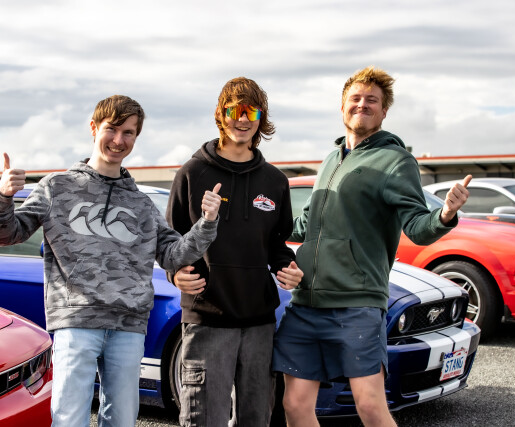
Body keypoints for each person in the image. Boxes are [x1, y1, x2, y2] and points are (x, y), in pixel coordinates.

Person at [0, 95, 222, 427]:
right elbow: (8, 234)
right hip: (76, 321)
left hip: (128, 325)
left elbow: (173, 254)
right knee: (69, 419)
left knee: (122, 420)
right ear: (94, 128)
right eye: (112, 129)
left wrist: (207, 222)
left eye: (129, 132)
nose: (118, 140)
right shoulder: (57, 187)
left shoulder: (141, 204)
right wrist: (3, 197)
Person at [272, 66, 472, 427]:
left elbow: (417, 226)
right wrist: (256, 219)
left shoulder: (395, 161)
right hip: (306, 304)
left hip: (357, 304)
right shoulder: (331, 160)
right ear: (342, 107)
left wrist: (445, 214)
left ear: (384, 111)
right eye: (355, 98)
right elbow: (305, 225)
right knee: (295, 405)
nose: (362, 104)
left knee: (369, 405)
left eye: (372, 100)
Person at [166, 77, 304, 427]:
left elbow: (276, 243)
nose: (242, 119)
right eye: (234, 110)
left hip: (259, 322)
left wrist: (287, 266)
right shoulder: (192, 173)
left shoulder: (274, 181)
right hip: (208, 317)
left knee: (256, 418)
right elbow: (170, 241)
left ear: (261, 118)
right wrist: (175, 274)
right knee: (204, 419)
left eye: (251, 112)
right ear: (221, 114)